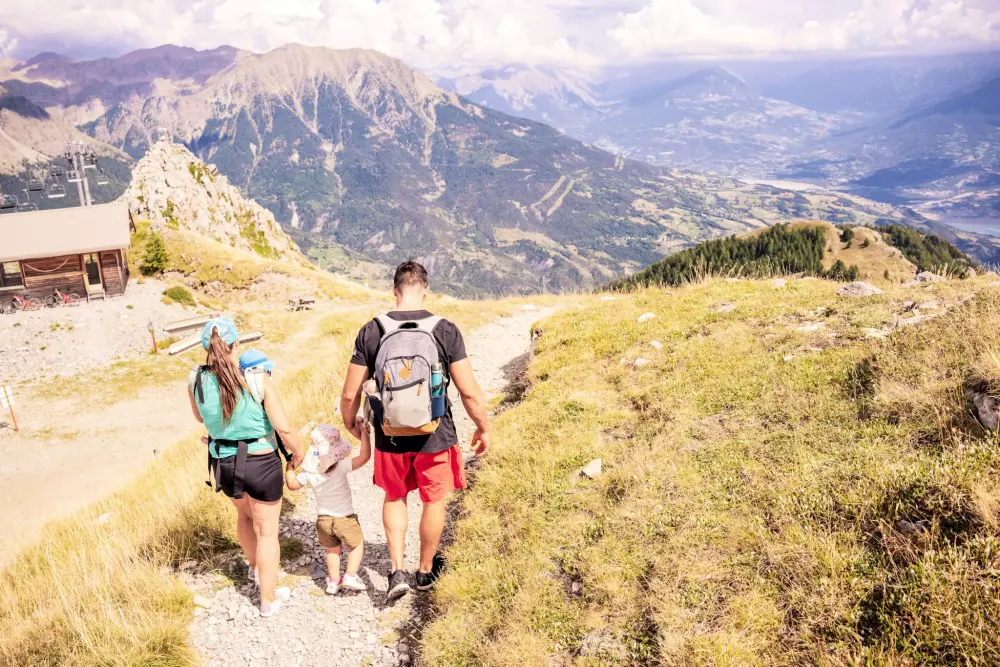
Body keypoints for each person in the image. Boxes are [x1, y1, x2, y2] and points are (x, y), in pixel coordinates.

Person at [341, 260, 490, 603]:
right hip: (436, 435)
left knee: (395, 497)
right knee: (433, 500)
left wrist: (352, 424)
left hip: (389, 436)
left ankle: (396, 572)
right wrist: (483, 427)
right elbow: (469, 392)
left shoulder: (372, 331)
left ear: (394, 291)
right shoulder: (445, 329)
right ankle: (424, 571)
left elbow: (350, 393)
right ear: (425, 291)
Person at [187, 318, 305, 617]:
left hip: (223, 461)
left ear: (205, 348)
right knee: (267, 531)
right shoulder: (256, 380)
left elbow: (201, 418)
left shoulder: (195, 380)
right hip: (261, 463)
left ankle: (254, 570)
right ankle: (268, 599)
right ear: (236, 345)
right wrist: (299, 454)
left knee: (243, 515)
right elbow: (285, 429)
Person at [285, 424, 371, 594]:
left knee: (333, 550)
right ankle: (350, 575)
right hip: (344, 518)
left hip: (323, 521)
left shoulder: (310, 473)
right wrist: (364, 433)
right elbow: (365, 456)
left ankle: (333, 581)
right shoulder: (341, 467)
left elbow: (292, 485)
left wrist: (289, 468)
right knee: (356, 544)